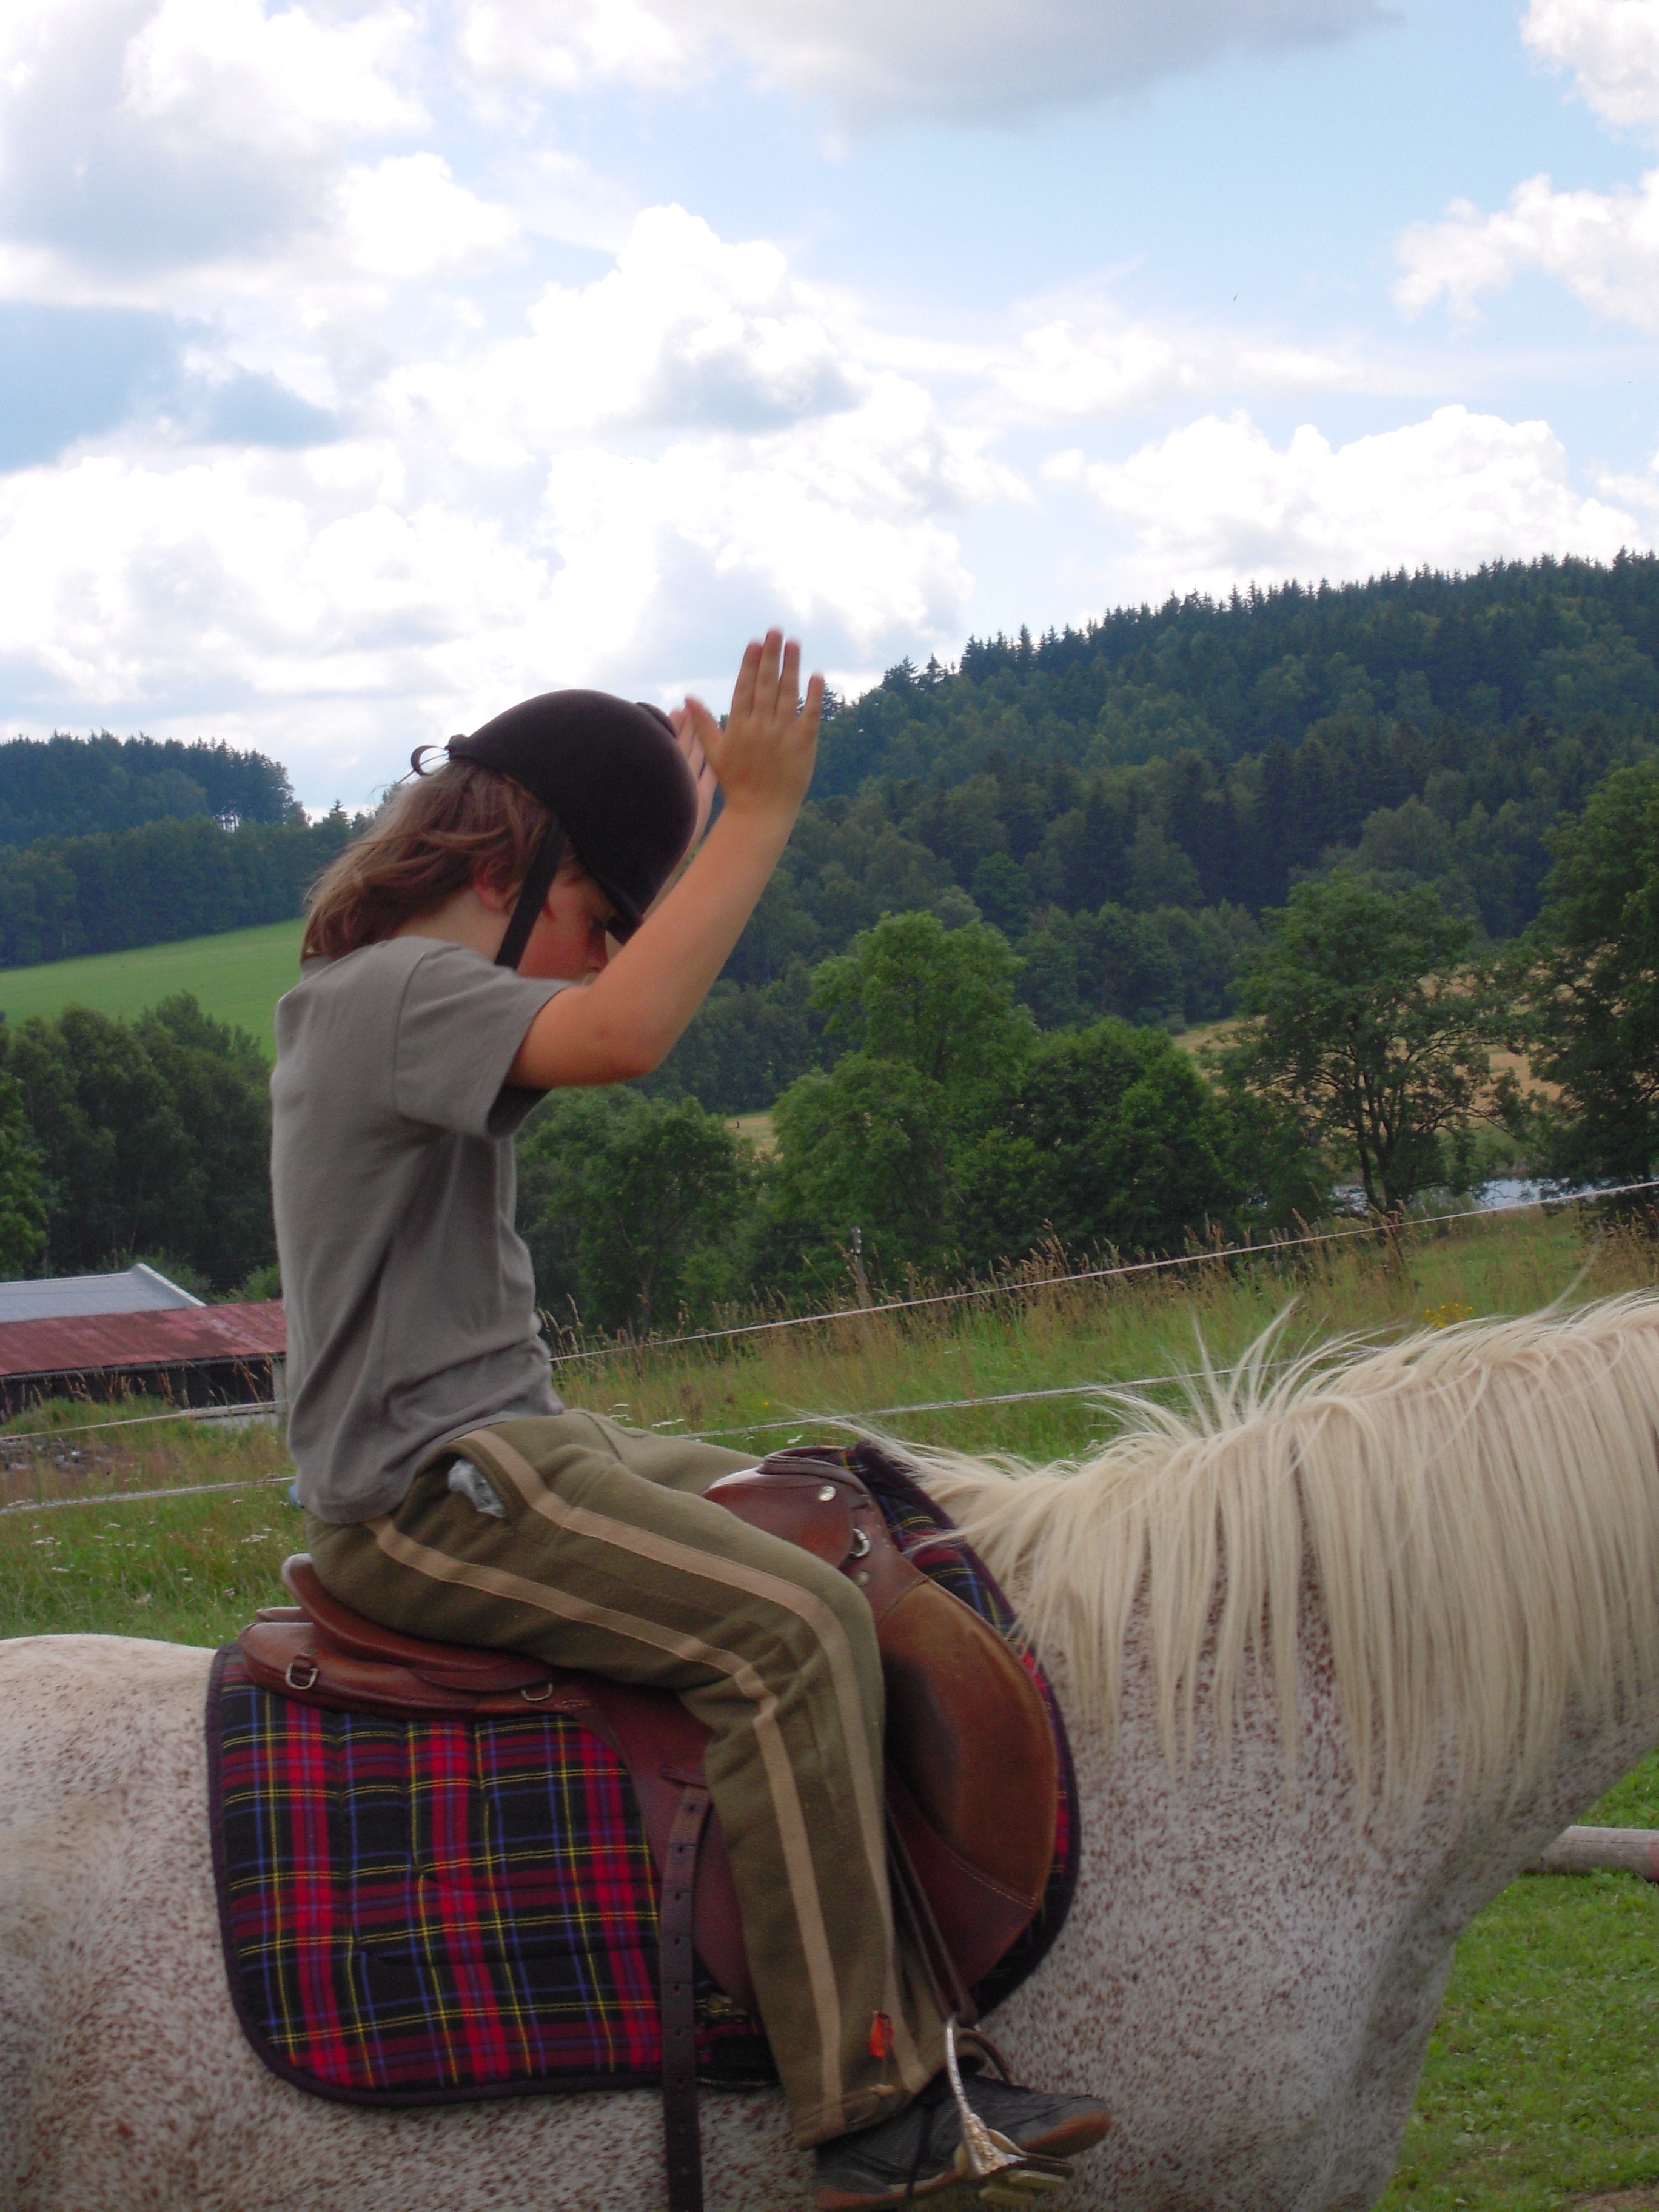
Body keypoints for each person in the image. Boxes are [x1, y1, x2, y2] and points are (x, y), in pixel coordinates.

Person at [269, 630, 1110, 2208]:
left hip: (522, 1443)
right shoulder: (386, 996)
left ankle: (918, 1935)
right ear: (510, 864)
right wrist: (756, 821)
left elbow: (609, 1003)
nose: (601, 958)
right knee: (785, 1629)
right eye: (601, 916)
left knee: (832, 1503)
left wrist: (673, 816)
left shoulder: (416, 994)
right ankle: (870, 2103)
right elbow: (628, 1034)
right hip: (424, 1494)